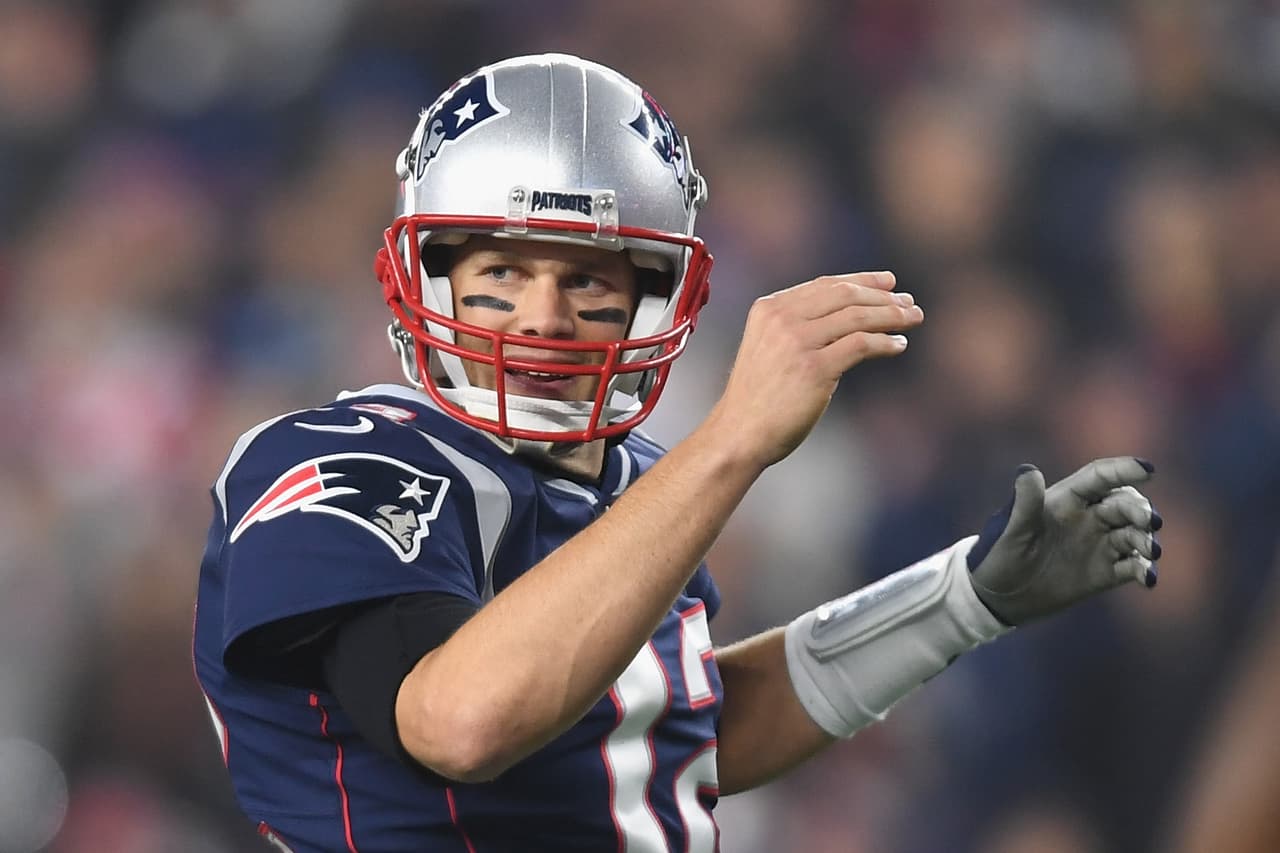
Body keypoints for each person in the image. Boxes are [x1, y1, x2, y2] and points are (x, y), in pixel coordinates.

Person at [192, 53, 1163, 852]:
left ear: (660, 298)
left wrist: (959, 597)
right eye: (500, 271)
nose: (541, 316)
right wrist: (733, 440)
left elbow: (671, 733)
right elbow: (460, 718)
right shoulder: (337, 460)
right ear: (423, 276)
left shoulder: (643, 486)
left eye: (587, 280)